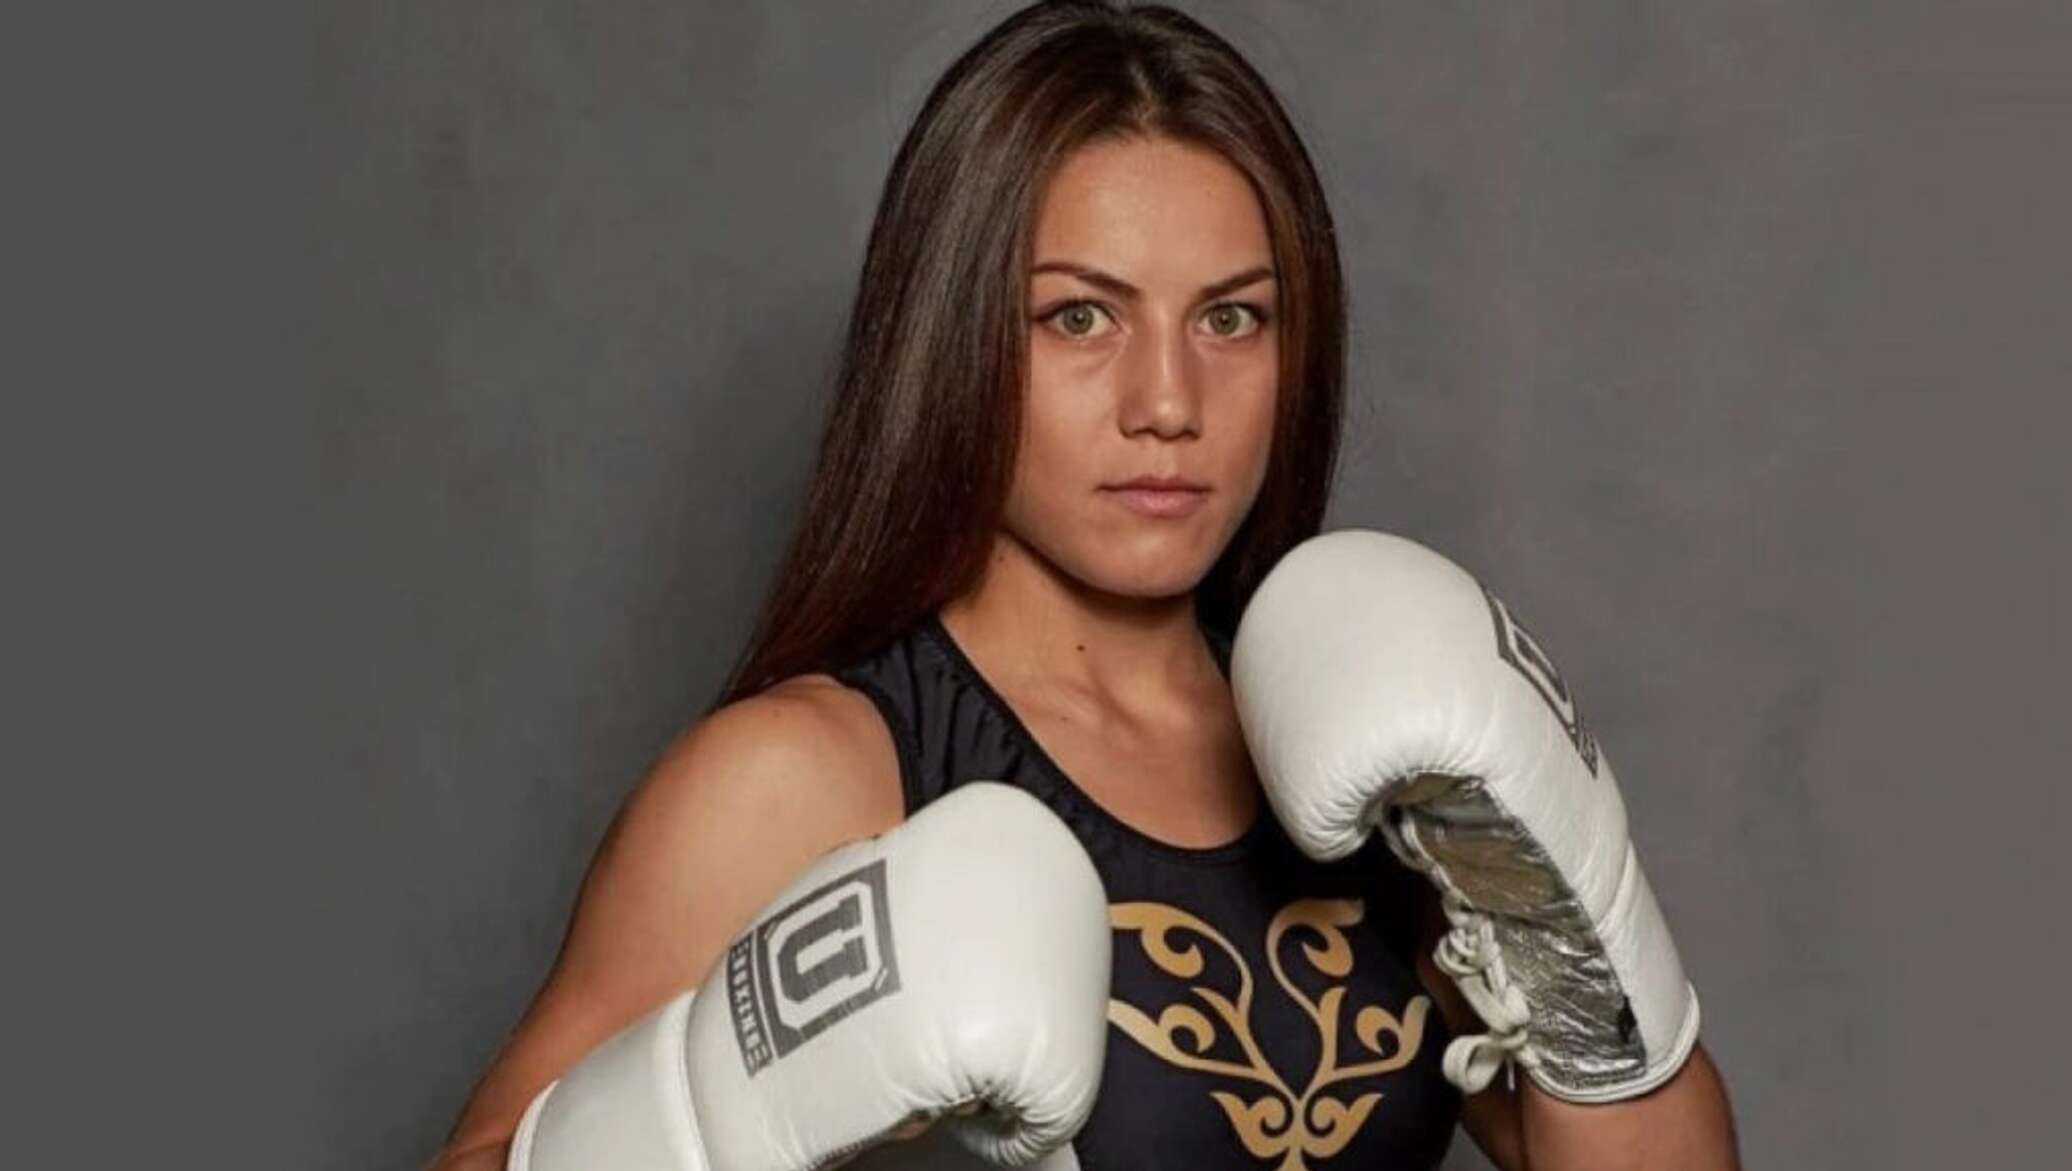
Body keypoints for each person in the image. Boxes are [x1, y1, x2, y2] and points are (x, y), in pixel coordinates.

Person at [429, 2, 1742, 1168]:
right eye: (1080, 317)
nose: (1168, 402)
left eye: (1231, 317)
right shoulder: (804, 779)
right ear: (956, 339)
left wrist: (1558, 906)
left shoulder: (1378, 743)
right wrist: (705, 1129)